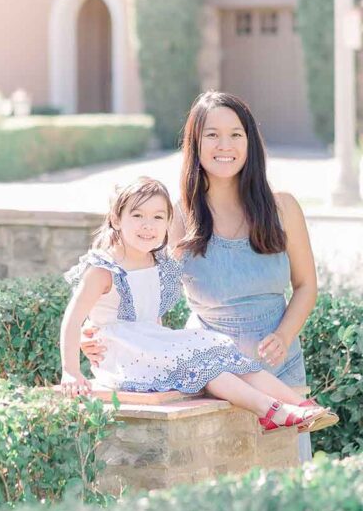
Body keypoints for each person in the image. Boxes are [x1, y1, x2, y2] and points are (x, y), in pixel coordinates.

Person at [80, 92, 338, 453]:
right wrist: (96, 332)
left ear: (250, 141)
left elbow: (306, 285)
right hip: (213, 378)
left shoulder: (283, 207)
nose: (224, 145)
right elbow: (132, 284)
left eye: (236, 134)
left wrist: (283, 334)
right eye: (212, 135)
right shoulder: (176, 216)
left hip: (280, 370)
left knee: (288, 487)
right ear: (195, 144)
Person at [61, 176, 328, 432]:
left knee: (225, 356)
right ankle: (272, 411)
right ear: (116, 219)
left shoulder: (158, 264)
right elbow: (74, 319)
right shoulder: (104, 269)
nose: (147, 225)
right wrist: (71, 371)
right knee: (203, 366)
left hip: (147, 348)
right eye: (137, 215)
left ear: (168, 222)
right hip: (121, 356)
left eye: (158, 217)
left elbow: (151, 321)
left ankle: (301, 405)